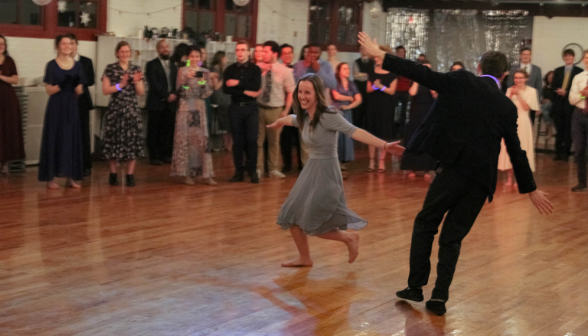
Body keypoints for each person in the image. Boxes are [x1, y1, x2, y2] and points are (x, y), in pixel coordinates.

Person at [358, 32, 553, 316]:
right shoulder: (505, 106)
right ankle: (439, 297)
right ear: (505, 74)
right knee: (452, 238)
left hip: (454, 172)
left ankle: (415, 286)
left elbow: (420, 74)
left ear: (478, 67)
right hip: (482, 181)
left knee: (426, 223)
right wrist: (531, 189)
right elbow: (517, 150)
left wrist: (380, 55)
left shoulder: (462, 81)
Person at [267, 73, 405, 267]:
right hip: (310, 170)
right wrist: (280, 122)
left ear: (317, 94)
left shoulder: (328, 115)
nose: (302, 96)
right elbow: (294, 119)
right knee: (290, 216)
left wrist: (384, 145)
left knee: (314, 221)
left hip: (326, 171)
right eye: (300, 92)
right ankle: (305, 258)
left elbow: (355, 131)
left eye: (307, 92)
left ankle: (349, 239)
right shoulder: (307, 116)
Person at [39, 35, 85, 189]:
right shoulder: (51, 65)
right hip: (56, 106)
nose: (67, 46)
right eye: (63, 44)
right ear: (57, 47)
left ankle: (71, 177)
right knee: (54, 139)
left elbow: (79, 91)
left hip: (71, 105)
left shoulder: (77, 65)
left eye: (69, 44)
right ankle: (50, 178)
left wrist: (76, 84)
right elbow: (49, 91)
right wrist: (62, 85)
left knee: (71, 139)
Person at [101, 41, 145, 187]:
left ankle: (130, 175)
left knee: (132, 142)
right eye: (122, 52)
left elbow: (141, 92)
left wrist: (137, 82)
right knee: (113, 141)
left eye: (127, 52)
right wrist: (121, 85)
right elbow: (105, 90)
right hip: (116, 109)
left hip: (131, 109)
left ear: (130, 53)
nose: (125, 54)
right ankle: (113, 174)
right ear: (117, 53)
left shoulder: (136, 68)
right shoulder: (110, 68)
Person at [171, 46, 216, 186]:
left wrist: (202, 81)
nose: (195, 59)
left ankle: (206, 174)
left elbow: (207, 92)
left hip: (199, 107)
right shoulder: (182, 71)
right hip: (186, 108)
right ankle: (186, 174)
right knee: (186, 140)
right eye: (192, 56)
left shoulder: (205, 72)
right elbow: (180, 90)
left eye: (197, 56)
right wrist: (186, 81)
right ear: (187, 58)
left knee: (201, 139)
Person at [223, 40, 262, 183]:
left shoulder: (255, 69)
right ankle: (238, 172)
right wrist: (247, 90)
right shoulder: (230, 69)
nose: (240, 52)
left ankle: (252, 171)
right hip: (235, 107)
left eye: (243, 50)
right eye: (238, 50)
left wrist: (238, 83)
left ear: (248, 52)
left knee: (252, 140)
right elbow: (226, 89)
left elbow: (256, 85)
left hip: (251, 108)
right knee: (237, 141)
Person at [256, 41, 296, 179]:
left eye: (266, 51)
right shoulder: (258, 68)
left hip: (276, 109)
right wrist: (260, 71)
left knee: (274, 141)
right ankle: (258, 168)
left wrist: (286, 110)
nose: (263, 54)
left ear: (274, 54)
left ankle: (273, 169)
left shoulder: (285, 71)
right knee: (258, 141)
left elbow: (291, 92)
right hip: (259, 107)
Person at [294, 44, 337, 165]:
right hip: (304, 106)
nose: (312, 55)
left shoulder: (326, 65)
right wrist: (304, 68)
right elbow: (295, 83)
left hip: (320, 106)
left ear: (320, 53)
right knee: (305, 139)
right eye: (310, 52)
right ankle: (307, 168)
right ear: (307, 53)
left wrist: (319, 70)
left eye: (315, 53)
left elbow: (332, 84)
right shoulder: (299, 65)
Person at [498, 69, 538, 186]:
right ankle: (509, 179)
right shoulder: (510, 90)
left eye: (521, 78)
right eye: (516, 78)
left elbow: (527, 108)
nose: (518, 80)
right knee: (509, 149)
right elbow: (505, 107)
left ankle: (520, 179)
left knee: (522, 149)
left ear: (526, 79)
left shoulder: (532, 91)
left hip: (523, 122)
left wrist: (518, 95)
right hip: (510, 122)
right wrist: (511, 94)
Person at [401, 60, 437, 179]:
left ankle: (427, 168)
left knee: (427, 139)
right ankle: (413, 167)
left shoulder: (433, 81)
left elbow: (436, 96)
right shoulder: (415, 81)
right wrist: (418, 79)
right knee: (414, 139)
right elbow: (412, 92)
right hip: (416, 113)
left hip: (429, 112)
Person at [365, 45, 398, 173]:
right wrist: (376, 86)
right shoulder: (372, 72)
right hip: (373, 105)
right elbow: (368, 89)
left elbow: (392, 91)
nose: (376, 59)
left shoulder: (392, 74)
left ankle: (381, 162)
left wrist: (381, 86)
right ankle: (371, 161)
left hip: (386, 106)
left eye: (378, 57)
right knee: (371, 133)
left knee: (384, 134)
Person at [146, 39, 178, 166]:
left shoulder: (174, 65)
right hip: (156, 103)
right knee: (154, 131)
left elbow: (179, 82)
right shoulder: (151, 64)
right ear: (158, 50)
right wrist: (166, 95)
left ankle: (166, 155)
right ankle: (154, 156)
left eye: (167, 47)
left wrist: (174, 94)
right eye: (162, 47)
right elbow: (153, 83)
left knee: (168, 130)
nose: (165, 49)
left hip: (171, 104)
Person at [67, 34, 94, 177]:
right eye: (68, 43)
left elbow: (91, 80)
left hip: (82, 100)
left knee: (83, 133)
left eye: (73, 43)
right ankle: (69, 164)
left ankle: (85, 165)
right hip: (66, 100)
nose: (70, 46)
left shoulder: (86, 61)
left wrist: (78, 78)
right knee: (68, 133)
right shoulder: (62, 61)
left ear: (77, 44)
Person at [0, 34, 25, 175]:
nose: (1, 46)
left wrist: (1, 76)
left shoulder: (9, 61)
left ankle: (5, 164)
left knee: (8, 131)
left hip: (7, 100)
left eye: (3, 43)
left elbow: (15, 80)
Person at [551, 49, 582, 161]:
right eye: (566, 56)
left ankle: (566, 153)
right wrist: (557, 91)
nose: (568, 58)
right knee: (559, 129)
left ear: (573, 58)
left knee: (569, 130)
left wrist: (567, 92)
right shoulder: (558, 70)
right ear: (564, 58)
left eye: (570, 56)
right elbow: (552, 87)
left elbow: (580, 91)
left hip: (571, 105)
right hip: (559, 104)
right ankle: (557, 152)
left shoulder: (579, 71)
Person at [332, 62, 362, 167]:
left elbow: (358, 99)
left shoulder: (351, 84)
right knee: (337, 136)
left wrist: (349, 106)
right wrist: (349, 98)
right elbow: (336, 96)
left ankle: (343, 160)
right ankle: (336, 160)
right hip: (337, 110)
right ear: (339, 71)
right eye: (345, 69)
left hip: (347, 111)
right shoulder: (335, 82)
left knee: (346, 134)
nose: (347, 70)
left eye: (348, 69)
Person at [279, 44, 302, 173]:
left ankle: (301, 164)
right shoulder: (278, 70)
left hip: (298, 107)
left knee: (299, 137)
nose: (287, 56)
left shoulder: (298, 69)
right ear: (281, 56)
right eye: (285, 53)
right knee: (285, 137)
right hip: (284, 106)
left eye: (290, 53)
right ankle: (286, 164)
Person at [568, 49, 588, 192]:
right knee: (579, 150)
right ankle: (582, 182)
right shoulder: (578, 77)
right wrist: (582, 96)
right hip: (579, 115)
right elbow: (571, 99)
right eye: (586, 57)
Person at [506, 48, 542, 125]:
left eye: (528, 54)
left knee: (529, 123)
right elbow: (509, 83)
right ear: (520, 56)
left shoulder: (537, 69)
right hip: (515, 99)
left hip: (530, 101)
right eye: (524, 54)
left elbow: (539, 87)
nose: (526, 56)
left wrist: (537, 102)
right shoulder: (513, 68)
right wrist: (512, 94)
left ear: (531, 56)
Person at [210, 51, 232, 151]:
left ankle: (228, 143)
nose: (227, 60)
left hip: (225, 96)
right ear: (221, 59)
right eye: (225, 58)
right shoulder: (214, 70)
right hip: (219, 97)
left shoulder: (222, 70)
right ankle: (227, 144)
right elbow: (215, 87)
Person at [353, 45, 375, 128]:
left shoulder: (373, 62)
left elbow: (373, 75)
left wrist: (361, 74)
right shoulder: (356, 62)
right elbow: (355, 75)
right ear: (359, 51)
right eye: (361, 49)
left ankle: (366, 128)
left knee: (368, 108)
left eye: (365, 48)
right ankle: (357, 127)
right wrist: (367, 74)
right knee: (358, 109)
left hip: (370, 88)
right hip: (358, 88)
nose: (363, 50)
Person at [394, 46, 412, 139]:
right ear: (397, 52)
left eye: (403, 52)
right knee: (394, 110)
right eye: (399, 52)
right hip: (396, 90)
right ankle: (394, 130)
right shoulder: (394, 63)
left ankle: (402, 131)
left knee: (403, 112)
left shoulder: (407, 63)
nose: (401, 53)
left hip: (405, 90)